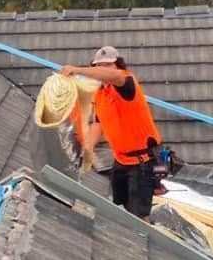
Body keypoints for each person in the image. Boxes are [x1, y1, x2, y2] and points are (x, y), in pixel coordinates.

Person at [60, 45, 163, 220]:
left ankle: (142, 237)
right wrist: (88, 149)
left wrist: (77, 70)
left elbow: (114, 76)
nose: (103, 69)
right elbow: (98, 123)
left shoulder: (126, 83)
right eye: (99, 66)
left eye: (108, 65)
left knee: (139, 215)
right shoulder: (100, 93)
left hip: (142, 163)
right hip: (121, 160)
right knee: (120, 204)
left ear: (118, 65)